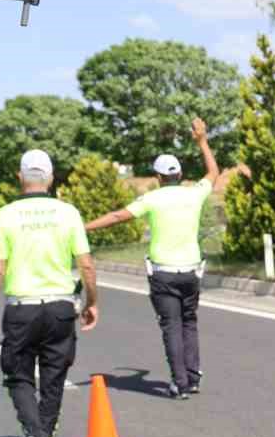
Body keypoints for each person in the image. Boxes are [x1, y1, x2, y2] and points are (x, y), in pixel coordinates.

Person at [0, 148, 99, 437]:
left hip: (22, 309)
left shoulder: (6, 214)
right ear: (50, 178)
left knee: (18, 376)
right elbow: (86, 265)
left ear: (20, 178)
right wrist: (91, 302)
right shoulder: (69, 213)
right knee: (53, 378)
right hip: (61, 308)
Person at [84, 117, 218, 400]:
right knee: (189, 323)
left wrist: (84, 227)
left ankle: (179, 383)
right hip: (191, 273)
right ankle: (192, 378)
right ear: (180, 174)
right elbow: (213, 172)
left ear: (158, 178)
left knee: (171, 326)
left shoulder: (152, 200)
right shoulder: (194, 194)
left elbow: (118, 216)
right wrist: (202, 141)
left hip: (163, 274)